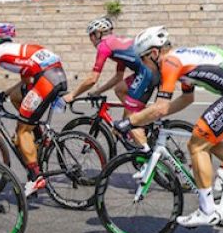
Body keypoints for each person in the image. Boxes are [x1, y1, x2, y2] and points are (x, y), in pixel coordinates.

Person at [113, 27, 223, 227]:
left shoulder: (169, 62)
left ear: (154, 53)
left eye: (143, 59)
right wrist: (153, 116)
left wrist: (129, 122)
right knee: (204, 135)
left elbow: (160, 106)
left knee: (196, 145)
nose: (143, 65)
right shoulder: (180, 60)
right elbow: (186, 98)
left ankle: (207, 211)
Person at [0, 23, 68, 197]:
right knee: (16, 96)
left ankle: (36, 177)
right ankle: (37, 135)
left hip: (46, 81)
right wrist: (4, 94)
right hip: (57, 77)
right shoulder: (20, 50)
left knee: (22, 131)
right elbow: (26, 81)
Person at [63, 17, 158, 147]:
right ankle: (142, 117)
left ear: (97, 34)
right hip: (148, 72)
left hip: (147, 73)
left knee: (128, 121)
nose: (91, 40)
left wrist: (72, 95)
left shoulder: (104, 46)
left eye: (91, 35)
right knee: (119, 89)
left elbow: (92, 78)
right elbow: (118, 77)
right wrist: (98, 92)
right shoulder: (116, 43)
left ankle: (145, 151)